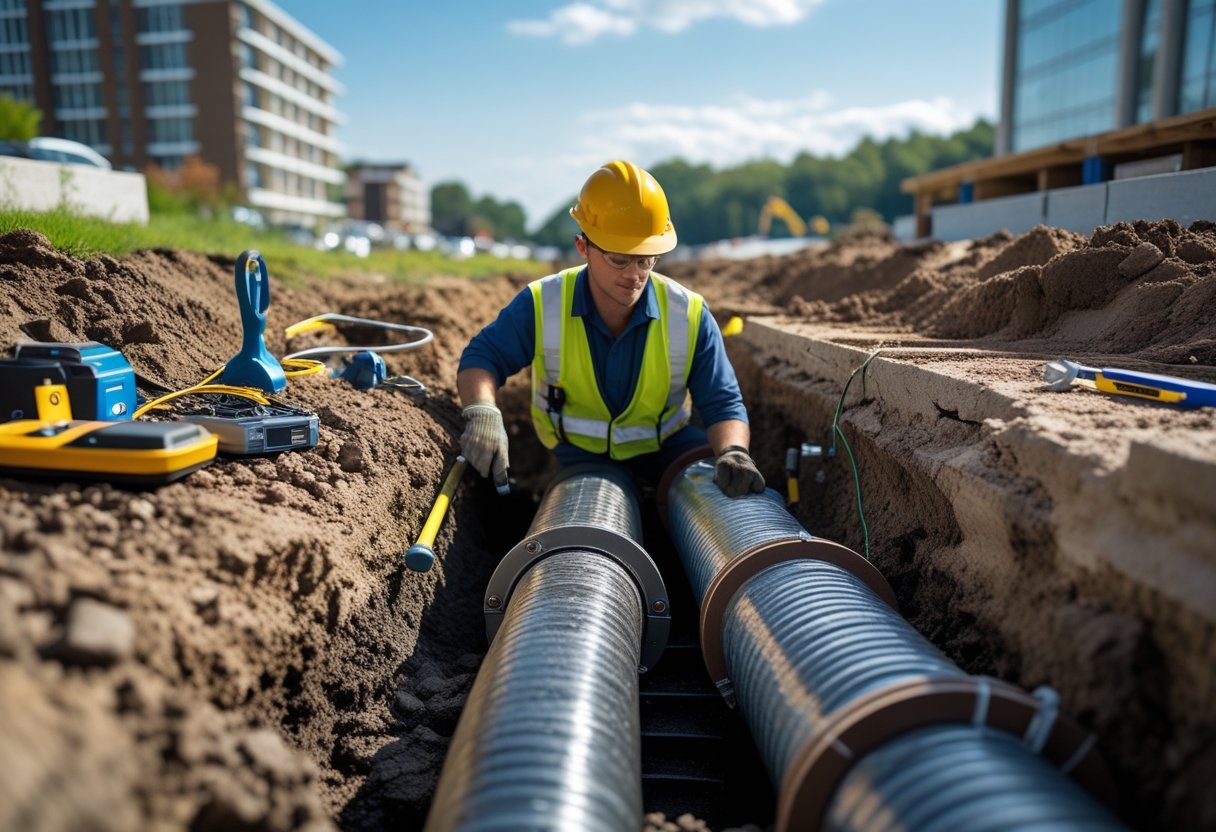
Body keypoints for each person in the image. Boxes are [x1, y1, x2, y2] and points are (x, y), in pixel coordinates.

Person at [456, 160, 765, 499]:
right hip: (579, 455)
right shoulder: (544, 302)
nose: (635, 274)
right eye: (620, 259)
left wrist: (733, 452)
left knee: (729, 499)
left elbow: (722, 402)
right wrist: (483, 410)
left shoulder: (688, 313)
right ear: (583, 247)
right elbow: (483, 357)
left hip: (667, 450)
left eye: (646, 260)